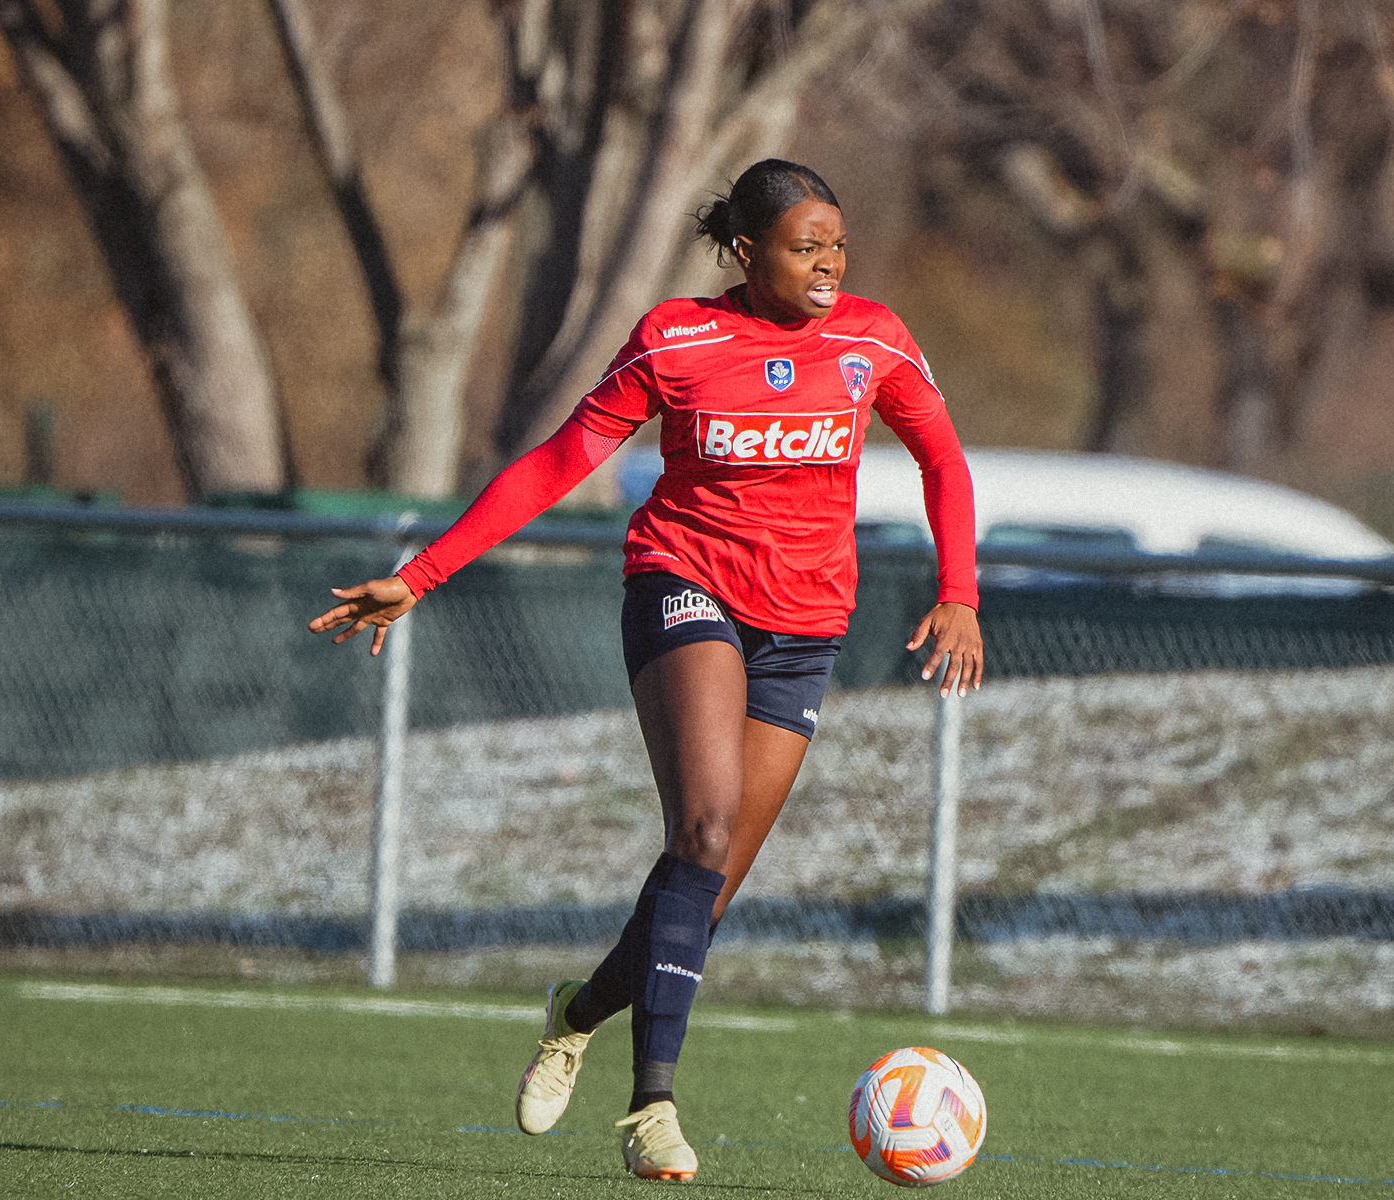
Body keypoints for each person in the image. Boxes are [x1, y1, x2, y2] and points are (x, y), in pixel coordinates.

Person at [308, 158, 983, 1182]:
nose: (829, 264)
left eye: (837, 245)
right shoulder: (679, 338)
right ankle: (651, 1109)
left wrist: (959, 593)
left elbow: (942, 460)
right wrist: (424, 573)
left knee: (700, 894)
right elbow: (555, 463)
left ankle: (573, 1015)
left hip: (804, 627)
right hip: (683, 584)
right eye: (807, 247)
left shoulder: (872, 340)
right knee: (702, 827)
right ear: (746, 253)